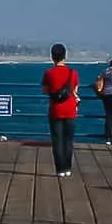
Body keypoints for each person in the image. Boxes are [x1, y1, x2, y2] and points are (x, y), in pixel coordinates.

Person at [41, 43, 79, 178]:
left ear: (52, 57)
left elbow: (45, 91)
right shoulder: (73, 73)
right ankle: (68, 168)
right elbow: (74, 91)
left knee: (57, 141)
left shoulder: (48, 73)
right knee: (68, 140)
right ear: (65, 56)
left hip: (55, 110)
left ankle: (60, 169)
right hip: (70, 110)